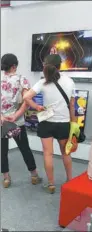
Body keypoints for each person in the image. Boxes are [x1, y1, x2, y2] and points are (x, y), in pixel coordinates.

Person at [23, 54, 77, 193]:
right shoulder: (70, 81)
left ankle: (51, 184)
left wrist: (36, 107)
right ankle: (70, 181)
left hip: (46, 122)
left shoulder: (42, 82)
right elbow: (72, 105)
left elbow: (26, 97)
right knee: (66, 154)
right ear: (60, 65)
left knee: (48, 154)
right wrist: (73, 124)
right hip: (63, 123)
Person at [1, 53, 42, 188]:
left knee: (2, 151)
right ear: (14, 66)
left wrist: (1, 116)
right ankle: (34, 175)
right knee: (24, 148)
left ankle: (6, 178)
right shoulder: (21, 80)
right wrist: (16, 114)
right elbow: (27, 101)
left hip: (1, 122)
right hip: (16, 122)